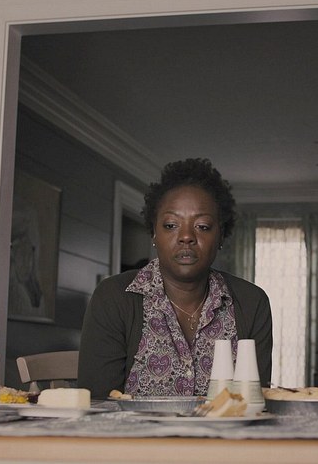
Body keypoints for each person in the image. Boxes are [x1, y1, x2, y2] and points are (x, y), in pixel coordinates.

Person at [78, 158, 273, 399]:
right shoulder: (113, 297)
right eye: (171, 225)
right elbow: (98, 404)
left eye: (202, 226)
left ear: (221, 235)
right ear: (154, 232)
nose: (186, 236)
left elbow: (255, 402)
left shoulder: (252, 303)